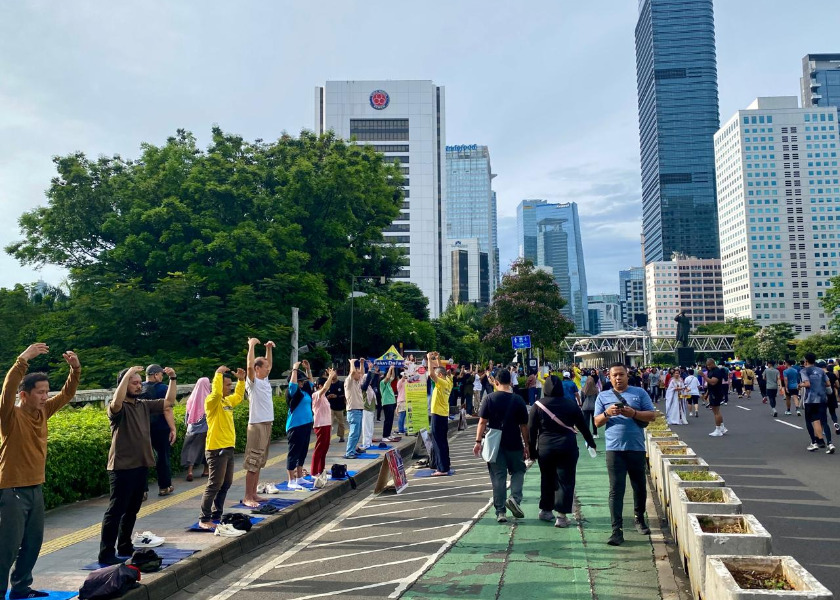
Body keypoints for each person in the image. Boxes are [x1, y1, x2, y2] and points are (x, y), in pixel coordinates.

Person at [0, 344, 80, 600]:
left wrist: (75, 369)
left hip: (36, 487)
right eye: (40, 392)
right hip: (11, 489)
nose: (45, 396)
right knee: (7, 547)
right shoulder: (10, 416)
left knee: (33, 543)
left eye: (47, 392)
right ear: (24, 395)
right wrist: (23, 359)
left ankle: (21, 588)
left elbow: (67, 394)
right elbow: (7, 390)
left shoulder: (43, 412)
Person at [99, 364, 176, 564]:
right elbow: (116, 400)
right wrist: (127, 374)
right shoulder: (117, 408)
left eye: (139, 382)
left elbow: (168, 402)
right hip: (122, 466)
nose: (138, 385)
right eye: (133, 383)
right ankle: (106, 553)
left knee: (132, 509)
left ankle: (125, 545)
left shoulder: (143, 404)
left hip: (141, 464)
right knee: (116, 511)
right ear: (123, 385)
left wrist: (173, 379)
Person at [594, 364, 656, 546]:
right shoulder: (603, 396)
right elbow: (596, 422)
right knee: (616, 489)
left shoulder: (639, 393)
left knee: (639, 486)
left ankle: (639, 518)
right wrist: (607, 413)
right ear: (609, 377)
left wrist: (633, 413)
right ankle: (617, 530)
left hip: (636, 448)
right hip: (614, 450)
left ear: (627, 376)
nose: (618, 378)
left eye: (621, 374)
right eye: (614, 375)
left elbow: (652, 415)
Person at [529, 375, 595, 528]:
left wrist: (532, 451)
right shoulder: (571, 404)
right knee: (565, 480)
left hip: (545, 448)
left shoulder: (538, 405)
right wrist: (590, 442)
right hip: (567, 447)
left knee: (547, 478)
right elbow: (583, 426)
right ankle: (561, 516)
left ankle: (546, 510)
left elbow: (532, 430)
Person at [473, 369, 530, 523]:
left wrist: (478, 442)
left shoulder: (489, 399)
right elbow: (524, 425)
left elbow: (482, 422)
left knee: (498, 476)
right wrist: (527, 445)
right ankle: (514, 498)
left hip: (495, 445)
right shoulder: (518, 400)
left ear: (496, 382)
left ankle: (500, 512)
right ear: (510, 382)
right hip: (514, 442)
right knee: (518, 470)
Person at [197, 366, 246, 530]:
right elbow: (217, 393)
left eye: (231, 385)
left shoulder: (227, 401)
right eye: (227, 385)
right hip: (216, 449)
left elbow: (238, 397)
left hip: (228, 447)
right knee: (214, 484)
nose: (229, 387)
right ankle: (204, 518)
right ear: (218, 385)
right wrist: (218, 374)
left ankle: (216, 514)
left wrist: (241, 380)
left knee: (226, 483)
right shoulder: (212, 401)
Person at [243, 338, 275, 508]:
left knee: (260, 461)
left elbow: (269, 363)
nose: (268, 369)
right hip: (257, 425)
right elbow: (249, 367)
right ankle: (248, 496)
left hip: (267, 424)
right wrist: (251, 346)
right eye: (265, 367)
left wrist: (268, 348)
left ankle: (254, 493)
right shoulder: (253, 382)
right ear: (257, 369)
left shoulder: (265, 381)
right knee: (253, 461)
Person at [140, 365, 177, 497]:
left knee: (142, 459)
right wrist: (173, 428)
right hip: (160, 427)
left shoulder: (139, 387)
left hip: (142, 428)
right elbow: (167, 408)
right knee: (162, 457)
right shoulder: (163, 388)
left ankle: (142, 491)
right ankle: (164, 487)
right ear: (156, 375)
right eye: (161, 374)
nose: (161, 377)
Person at [800, 355, 835, 454]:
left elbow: (807, 384)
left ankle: (814, 442)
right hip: (822, 398)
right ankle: (830, 443)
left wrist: (800, 385)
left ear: (806, 361)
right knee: (824, 421)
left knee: (809, 421)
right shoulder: (821, 370)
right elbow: (828, 383)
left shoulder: (804, 371)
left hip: (810, 399)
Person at [427, 352, 454, 476]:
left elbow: (431, 374)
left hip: (437, 414)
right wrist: (438, 359)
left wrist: (429, 359)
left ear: (440, 375)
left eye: (438, 375)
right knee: (443, 441)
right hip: (443, 415)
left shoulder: (442, 382)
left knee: (438, 442)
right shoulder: (449, 381)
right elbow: (440, 370)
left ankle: (442, 469)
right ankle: (445, 465)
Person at [181, 377, 211, 481]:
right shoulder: (209, 398)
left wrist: (188, 425)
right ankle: (206, 470)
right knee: (206, 450)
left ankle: (190, 471)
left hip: (192, 428)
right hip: (206, 429)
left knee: (191, 449)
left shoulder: (191, 398)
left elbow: (187, 415)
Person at [311, 368, 338, 477]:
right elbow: (326, 387)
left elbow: (326, 387)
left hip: (326, 425)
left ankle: (321, 470)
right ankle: (314, 472)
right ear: (320, 386)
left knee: (324, 449)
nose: (327, 387)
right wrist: (330, 376)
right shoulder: (316, 395)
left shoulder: (324, 397)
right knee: (319, 449)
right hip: (320, 425)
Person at [344, 359, 366, 459]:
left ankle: (353, 449)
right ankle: (349, 452)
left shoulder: (357, 383)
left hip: (358, 410)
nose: (359, 375)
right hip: (353, 410)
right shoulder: (349, 381)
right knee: (353, 433)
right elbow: (353, 372)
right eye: (357, 373)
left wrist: (361, 363)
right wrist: (352, 362)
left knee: (357, 432)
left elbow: (362, 373)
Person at [705, 359, 728, 437]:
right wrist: (707, 393)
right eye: (707, 365)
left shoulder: (716, 371)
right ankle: (722, 427)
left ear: (713, 363)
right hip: (712, 392)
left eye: (709, 365)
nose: (708, 367)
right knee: (716, 411)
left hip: (716, 392)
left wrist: (704, 376)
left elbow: (713, 382)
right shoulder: (711, 371)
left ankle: (718, 429)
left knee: (716, 412)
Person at [327, 375, 347, 443]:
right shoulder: (328, 384)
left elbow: (345, 394)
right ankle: (328, 439)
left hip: (339, 406)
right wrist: (328, 396)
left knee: (341, 423)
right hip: (330, 407)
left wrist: (337, 396)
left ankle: (341, 436)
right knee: (329, 423)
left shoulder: (341, 383)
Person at [379, 366, 397, 441]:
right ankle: (385, 436)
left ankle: (388, 434)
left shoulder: (389, 383)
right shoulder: (382, 383)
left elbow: (393, 376)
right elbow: (388, 377)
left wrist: (393, 369)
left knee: (391, 419)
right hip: (387, 403)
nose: (389, 378)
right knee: (387, 420)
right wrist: (390, 369)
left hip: (392, 402)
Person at [825, 361, 840, 434]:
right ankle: (836, 424)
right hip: (831, 394)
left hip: (823, 395)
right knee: (833, 412)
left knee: (823, 413)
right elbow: (837, 385)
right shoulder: (832, 374)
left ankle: (824, 429)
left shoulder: (820, 375)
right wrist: (834, 386)